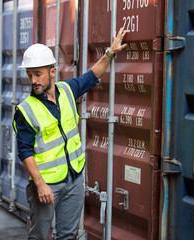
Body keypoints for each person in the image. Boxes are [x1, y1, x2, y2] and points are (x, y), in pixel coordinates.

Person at [13, 28, 127, 239]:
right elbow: (24, 151)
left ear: (52, 72)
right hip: (46, 185)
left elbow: (91, 76)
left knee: (67, 235)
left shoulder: (66, 90)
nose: (33, 80)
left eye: (38, 74)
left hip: (73, 178)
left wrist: (110, 52)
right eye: (30, 75)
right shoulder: (25, 110)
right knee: (38, 235)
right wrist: (40, 184)